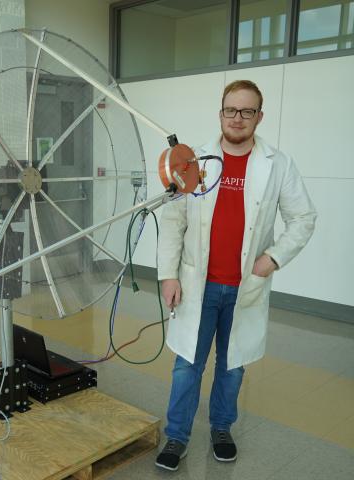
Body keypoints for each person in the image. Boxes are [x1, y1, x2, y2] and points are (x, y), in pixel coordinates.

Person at [155, 80, 316, 471]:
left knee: (232, 365)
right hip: (198, 284)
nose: (238, 118)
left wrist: (274, 258)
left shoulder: (279, 163)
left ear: (260, 116)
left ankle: (221, 428)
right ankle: (176, 436)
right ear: (220, 113)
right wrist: (168, 275)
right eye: (231, 110)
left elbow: (303, 217)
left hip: (245, 286)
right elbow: (173, 220)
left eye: (247, 111)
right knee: (187, 366)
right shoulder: (193, 159)